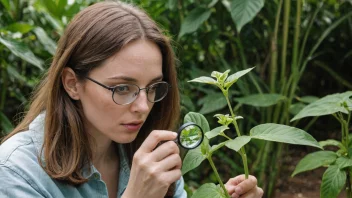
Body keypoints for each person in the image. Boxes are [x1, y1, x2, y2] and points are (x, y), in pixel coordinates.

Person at [0, 1, 263, 198]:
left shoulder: (148, 154)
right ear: (72, 84)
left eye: (152, 88)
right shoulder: (16, 172)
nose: (143, 106)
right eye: (122, 88)